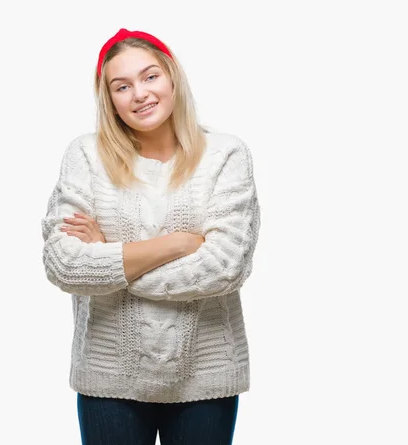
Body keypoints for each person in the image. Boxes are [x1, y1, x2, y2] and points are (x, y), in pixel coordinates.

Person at [41, 28, 261, 445]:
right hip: (109, 378)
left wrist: (108, 257)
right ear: (109, 99)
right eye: (121, 86)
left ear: (172, 78)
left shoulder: (226, 154)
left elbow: (225, 265)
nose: (139, 94)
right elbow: (64, 264)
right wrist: (177, 244)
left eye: (150, 77)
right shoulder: (86, 156)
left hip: (205, 376)